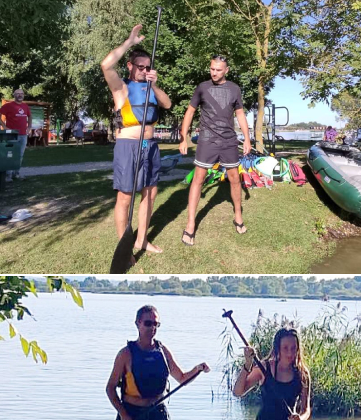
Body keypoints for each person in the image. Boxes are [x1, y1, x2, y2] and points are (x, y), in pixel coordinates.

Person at [101, 24, 173, 256]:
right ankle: (124, 246)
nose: (143, 70)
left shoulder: (151, 87)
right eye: (139, 67)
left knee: (150, 193)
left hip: (149, 145)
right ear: (130, 66)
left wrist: (155, 83)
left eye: (147, 67)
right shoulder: (121, 87)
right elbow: (106, 65)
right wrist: (129, 42)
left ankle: (141, 240)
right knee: (125, 196)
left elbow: (167, 104)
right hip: (128, 145)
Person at [178, 55, 252, 246]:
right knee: (198, 180)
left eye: (218, 69)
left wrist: (247, 138)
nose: (214, 72)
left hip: (228, 141)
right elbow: (190, 111)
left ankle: (237, 215)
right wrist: (183, 137)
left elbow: (240, 114)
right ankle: (190, 224)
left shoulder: (235, 89)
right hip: (207, 141)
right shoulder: (202, 87)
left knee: (235, 179)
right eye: (212, 68)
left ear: (226, 70)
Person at [0, 88, 32, 158]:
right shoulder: (8, 105)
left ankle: (16, 169)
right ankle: (8, 169)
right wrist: (4, 126)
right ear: (14, 95)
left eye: (21, 94)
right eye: (18, 94)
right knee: (10, 155)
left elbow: (30, 116)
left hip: (23, 135)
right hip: (12, 135)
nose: (20, 95)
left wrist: (29, 127)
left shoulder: (25, 106)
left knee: (20, 155)